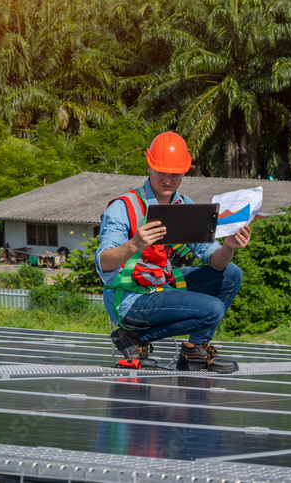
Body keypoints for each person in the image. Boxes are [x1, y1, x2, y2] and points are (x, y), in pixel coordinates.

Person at [95, 131, 250, 373]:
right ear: (149, 165)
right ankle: (135, 336)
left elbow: (216, 263)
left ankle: (194, 349)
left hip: (162, 287)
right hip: (130, 298)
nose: (168, 179)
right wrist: (134, 244)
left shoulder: (185, 206)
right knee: (212, 309)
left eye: (176, 173)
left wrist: (228, 246)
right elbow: (103, 264)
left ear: (185, 171)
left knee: (231, 273)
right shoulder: (123, 207)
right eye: (161, 171)